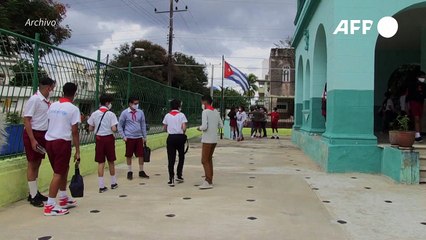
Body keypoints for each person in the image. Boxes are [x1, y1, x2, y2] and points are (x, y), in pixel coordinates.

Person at [44, 82, 80, 216]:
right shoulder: (73, 109)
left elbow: (49, 121)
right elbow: (75, 131)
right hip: (62, 142)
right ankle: (50, 205)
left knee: (63, 170)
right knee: (58, 173)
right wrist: (77, 150)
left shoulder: (52, 105)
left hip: (50, 141)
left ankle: (63, 198)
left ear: (63, 92)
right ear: (75, 93)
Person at [23, 77, 56, 207]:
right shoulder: (35, 100)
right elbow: (26, 120)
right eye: (52, 88)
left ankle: (34, 192)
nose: (53, 90)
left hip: (43, 134)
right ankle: (32, 195)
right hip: (33, 133)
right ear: (48, 88)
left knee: (37, 163)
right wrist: (32, 140)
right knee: (32, 164)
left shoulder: (47, 101)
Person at [88, 94, 119, 193]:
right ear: (107, 103)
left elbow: (90, 128)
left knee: (100, 162)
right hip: (109, 139)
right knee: (111, 161)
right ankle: (113, 183)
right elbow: (114, 129)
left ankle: (101, 186)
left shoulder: (94, 114)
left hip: (99, 139)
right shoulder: (111, 114)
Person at [118, 96, 149, 180]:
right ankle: (129, 171)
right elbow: (120, 126)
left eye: (137, 103)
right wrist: (123, 136)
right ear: (130, 104)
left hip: (139, 137)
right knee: (129, 155)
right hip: (129, 137)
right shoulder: (125, 113)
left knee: (141, 154)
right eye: (135, 103)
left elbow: (143, 125)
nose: (136, 105)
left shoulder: (140, 112)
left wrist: (144, 136)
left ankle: (141, 171)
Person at [197, 95, 223, 189]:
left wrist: (199, 128)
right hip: (214, 139)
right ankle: (210, 178)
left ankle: (208, 180)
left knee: (204, 160)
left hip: (207, 139)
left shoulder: (205, 112)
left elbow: (204, 127)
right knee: (209, 159)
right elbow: (221, 125)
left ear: (204, 102)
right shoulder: (216, 111)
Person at [162, 99, 188, 187]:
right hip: (180, 138)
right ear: (178, 106)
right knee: (181, 156)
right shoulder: (182, 115)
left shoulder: (167, 115)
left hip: (171, 138)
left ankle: (171, 178)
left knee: (171, 158)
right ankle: (179, 175)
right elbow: (184, 127)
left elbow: (164, 128)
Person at [408, 71, 426, 142]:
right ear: (417, 77)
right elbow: (409, 97)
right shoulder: (412, 85)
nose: (423, 78)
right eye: (421, 77)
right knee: (416, 119)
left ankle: (418, 134)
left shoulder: (424, 86)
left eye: (424, 77)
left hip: (421, 103)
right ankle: (417, 135)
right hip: (414, 103)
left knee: (420, 119)